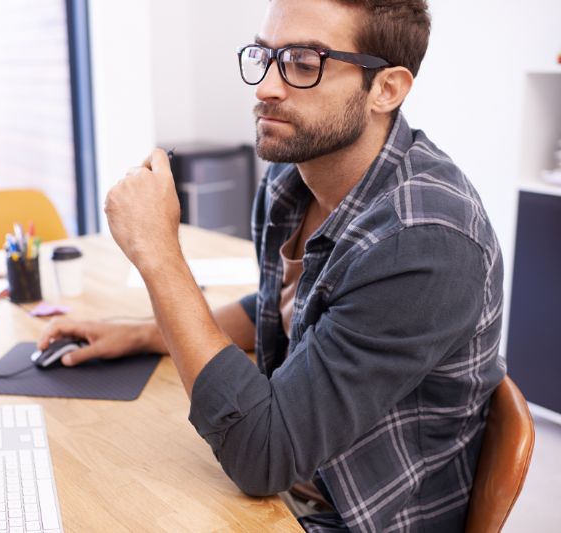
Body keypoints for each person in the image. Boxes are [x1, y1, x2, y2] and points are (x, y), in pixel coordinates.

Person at [39, 0, 505, 530]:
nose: (265, 88)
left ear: (387, 89)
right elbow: (290, 313)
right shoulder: (292, 183)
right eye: (265, 55)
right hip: (290, 480)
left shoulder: (425, 241)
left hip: (354, 514)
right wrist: (145, 334)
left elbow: (263, 457)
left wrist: (159, 255)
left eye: (304, 63)